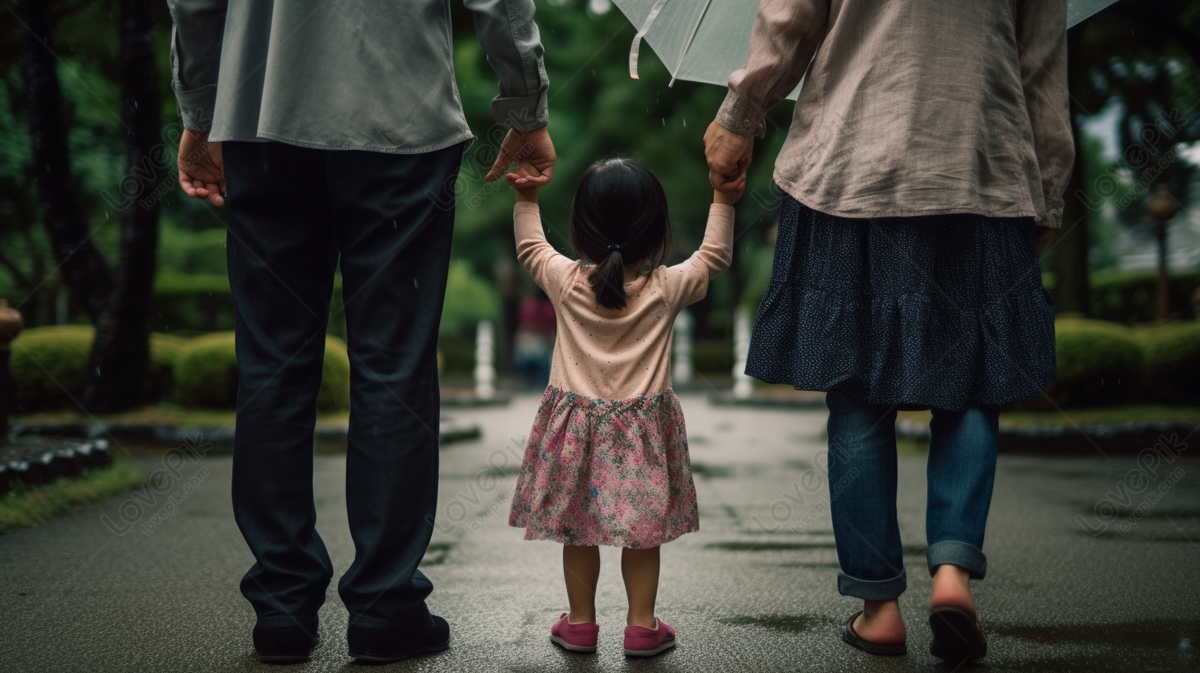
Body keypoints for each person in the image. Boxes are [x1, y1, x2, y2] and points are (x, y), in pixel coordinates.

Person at [167, 0, 556, 663]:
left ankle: (283, 606)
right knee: (393, 363)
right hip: (399, 117)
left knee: (273, 364)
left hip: (260, 116)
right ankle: (384, 604)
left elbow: (196, 3)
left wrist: (202, 112)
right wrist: (525, 106)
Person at [704, 0, 1071, 664]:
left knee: (856, 389)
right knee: (973, 381)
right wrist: (1048, 183)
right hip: (982, 164)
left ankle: (878, 608)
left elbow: (791, 18)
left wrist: (740, 114)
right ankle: (953, 573)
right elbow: (1042, 62)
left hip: (850, 164)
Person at [506, 158, 736, 657]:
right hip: (643, 437)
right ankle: (640, 626)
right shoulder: (667, 289)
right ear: (655, 232)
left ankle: (581, 624)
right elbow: (713, 256)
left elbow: (529, 247)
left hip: (575, 434)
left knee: (578, 529)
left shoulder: (565, 282)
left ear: (581, 230)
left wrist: (526, 197)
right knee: (642, 535)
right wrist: (722, 197)